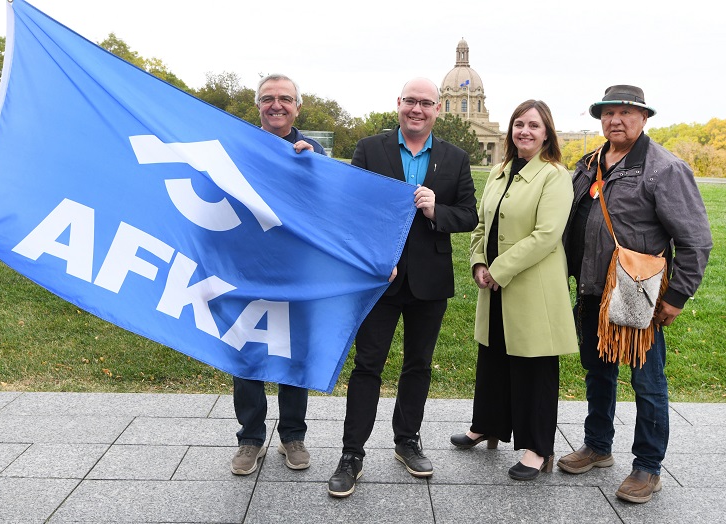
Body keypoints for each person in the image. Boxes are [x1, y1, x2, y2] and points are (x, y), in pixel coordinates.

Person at [558, 85, 712, 503]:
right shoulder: (589, 163)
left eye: (627, 112)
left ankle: (647, 467)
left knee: (648, 382)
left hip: (638, 295)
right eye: (609, 113)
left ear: (644, 118)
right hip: (592, 290)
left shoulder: (664, 168)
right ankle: (598, 446)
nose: (616, 120)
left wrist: (677, 296)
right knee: (598, 372)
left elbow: (696, 240)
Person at [327, 77, 478, 498]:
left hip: (430, 280)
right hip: (380, 278)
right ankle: (351, 454)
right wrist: (372, 257)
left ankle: (407, 441)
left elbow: (468, 215)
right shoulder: (370, 149)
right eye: (410, 101)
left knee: (418, 366)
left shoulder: (455, 158)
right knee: (367, 366)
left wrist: (437, 210)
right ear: (398, 104)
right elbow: (350, 207)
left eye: (426, 103)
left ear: (437, 109)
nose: (417, 108)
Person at [449, 100, 578, 480]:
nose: (524, 131)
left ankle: (538, 448)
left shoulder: (554, 175)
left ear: (546, 133)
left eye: (533, 126)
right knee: (493, 358)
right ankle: (487, 425)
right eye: (519, 124)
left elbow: (546, 235)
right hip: (495, 285)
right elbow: (481, 224)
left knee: (533, 367)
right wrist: (478, 262)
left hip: (531, 287)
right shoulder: (500, 170)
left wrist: (498, 270)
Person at [230, 73, 326, 476]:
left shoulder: (313, 151)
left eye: (285, 98)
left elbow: (330, 208)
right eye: (268, 98)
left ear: (297, 107)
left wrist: (314, 169)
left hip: (295, 272)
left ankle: (292, 435)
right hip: (247, 268)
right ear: (258, 106)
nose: (276, 105)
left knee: (293, 351)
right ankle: (250, 439)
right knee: (246, 352)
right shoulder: (238, 146)